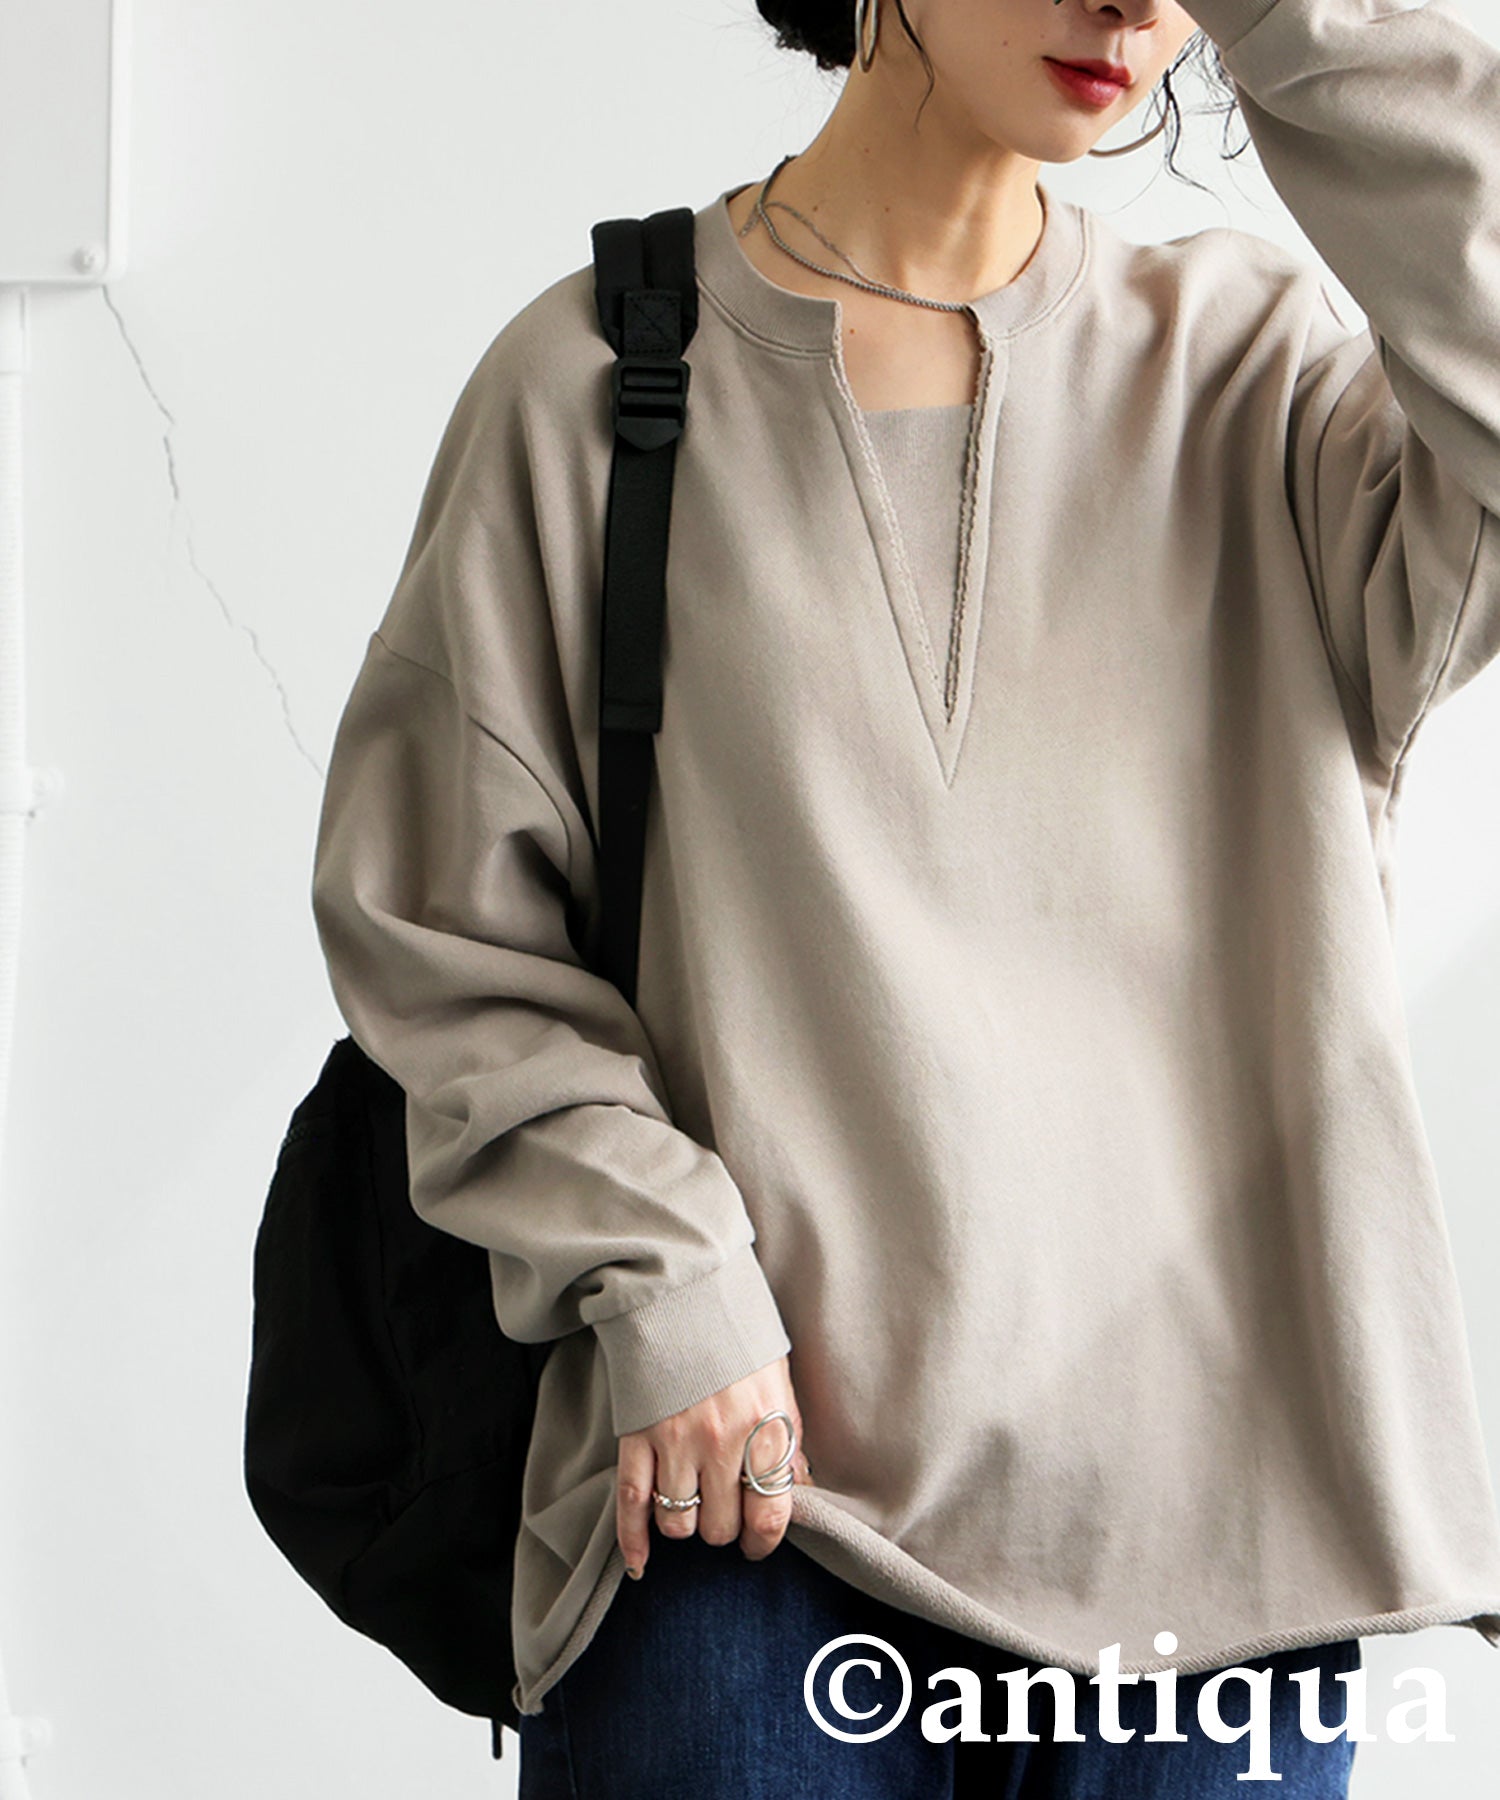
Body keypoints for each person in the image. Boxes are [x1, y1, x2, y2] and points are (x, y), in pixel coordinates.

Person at [308, 0, 1500, 1792]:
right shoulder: (599, 382)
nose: (1133, 6)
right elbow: (440, 933)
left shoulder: (1251, 375)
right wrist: (664, 1274)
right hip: (747, 1521)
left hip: (1225, 1569)